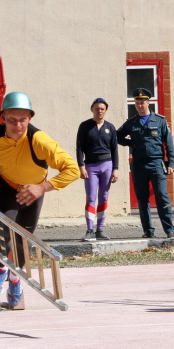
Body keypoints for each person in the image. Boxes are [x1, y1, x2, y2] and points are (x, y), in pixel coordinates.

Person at [0, 92, 79, 307]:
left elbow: (72, 170)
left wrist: (42, 187)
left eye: (22, 120)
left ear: (30, 118)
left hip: (32, 191)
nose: (17, 125)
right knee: (5, 229)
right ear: (3, 117)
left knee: (24, 239)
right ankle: (4, 270)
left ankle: (15, 277)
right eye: (11, 120)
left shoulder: (40, 141)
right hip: (4, 185)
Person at [117, 87, 174, 238]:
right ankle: (148, 231)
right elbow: (117, 137)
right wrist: (130, 143)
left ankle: (169, 230)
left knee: (162, 196)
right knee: (142, 199)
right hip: (139, 164)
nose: (140, 105)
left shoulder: (160, 120)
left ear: (148, 102)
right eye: (137, 102)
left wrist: (171, 163)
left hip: (156, 163)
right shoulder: (131, 123)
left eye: (143, 102)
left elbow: (169, 143)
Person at [76, 97, 119, 241]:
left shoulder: (110, 127)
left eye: (102, 109)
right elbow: (79, 147)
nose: (99, 111)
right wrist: (81, 166)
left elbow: (115, 150)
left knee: (104, 197)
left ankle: (100, 229)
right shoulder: (85, 126)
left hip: (107, 165)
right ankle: (89, 230)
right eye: (97, 108)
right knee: (91, 197)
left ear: (105, 111)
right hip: (90, 166)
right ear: (92, 109)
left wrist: (116, 169)